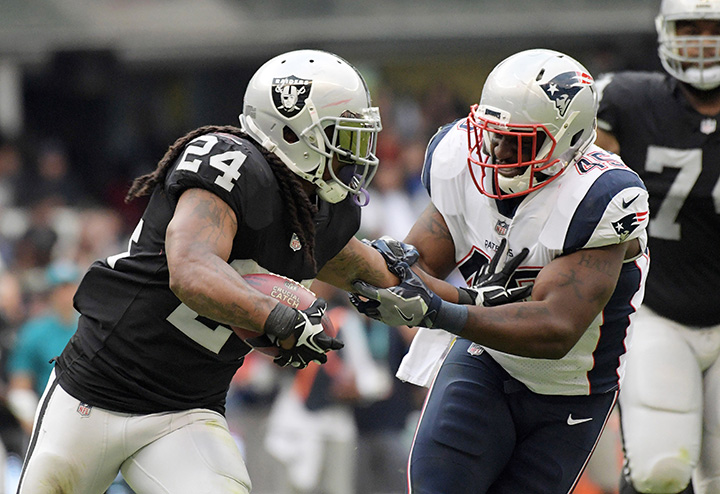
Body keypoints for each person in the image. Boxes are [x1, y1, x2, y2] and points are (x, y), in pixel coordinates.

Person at [13, 49, 408, 494]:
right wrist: (275, 317)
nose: (353, 155)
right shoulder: (233, 165)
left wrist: (440, 301)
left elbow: (373, 272)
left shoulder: (320, 215)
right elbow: (191, 270)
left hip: (185, 415)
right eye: (340, 136)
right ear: (294, 128)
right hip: (95, 393)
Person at [350, 48, 650, 494]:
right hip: (484, 360)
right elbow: (416, 265)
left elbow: (554, 327)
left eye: (520, 140)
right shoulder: (458, 158)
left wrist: (434, 308)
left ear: (566, 139)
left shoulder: (603, 197)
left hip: (571, 386)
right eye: (494, 135)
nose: (499, 151)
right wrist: (373, 277)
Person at [594, 1, 720, 493]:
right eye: (690, 28)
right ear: (665, 32)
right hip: (658, 310)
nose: (703, 40)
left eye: (714, 28)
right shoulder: (628, 100)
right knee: (659, 470)